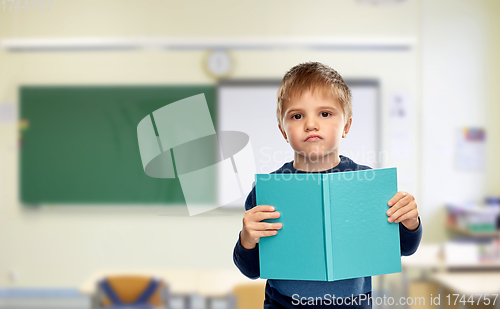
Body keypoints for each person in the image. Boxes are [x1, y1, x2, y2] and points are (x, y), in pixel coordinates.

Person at [232, 62, 422, 308]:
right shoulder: (268, 191)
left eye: (325, 113)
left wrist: (410, 222)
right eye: (297, 116)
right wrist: (247, 239)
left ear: (346, 126)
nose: (311, 124)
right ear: (283, 130)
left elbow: (405, 249)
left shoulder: (368, 185)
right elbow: (251, 269)